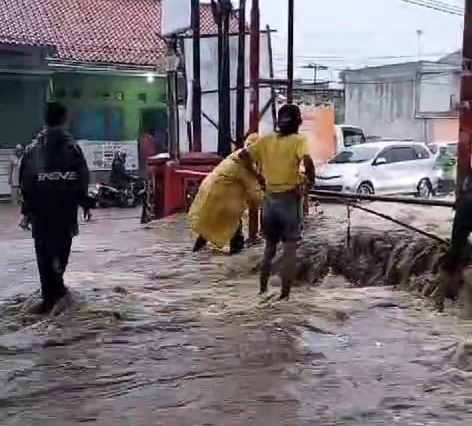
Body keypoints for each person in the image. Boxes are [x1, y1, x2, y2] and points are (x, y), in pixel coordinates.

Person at [239, 104, 315, 300]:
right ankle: (284, 297)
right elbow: (307, 161)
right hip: (289, 200)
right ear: (298, 122)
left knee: (269, 248)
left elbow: (242, 155)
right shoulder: (298, 140)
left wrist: (258, 176)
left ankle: (262, 290)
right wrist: (310, 182)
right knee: (289, 249)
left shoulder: (266, 141)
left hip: (269, 202)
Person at [19, 101, 89, 314]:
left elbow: (26, 183)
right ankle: (57, 296)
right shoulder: (73, 149)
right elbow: (81, 181)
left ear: (45, 120)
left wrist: (26, 212)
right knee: (60, 254)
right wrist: (84, 204)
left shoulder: (33, 150)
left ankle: (49, 296)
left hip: (41, 216)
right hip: (65, 215)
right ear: (65, 119)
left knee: (44, 256)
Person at [188, 139, 264, 255]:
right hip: (223, 201)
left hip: (209, 195)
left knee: (207, 228)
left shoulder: (234, 158)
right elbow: (257, 196)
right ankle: (235, 260)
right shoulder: (241, 170)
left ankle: (197, 256)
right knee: (235, 232)